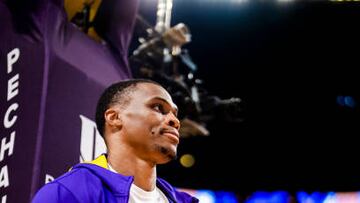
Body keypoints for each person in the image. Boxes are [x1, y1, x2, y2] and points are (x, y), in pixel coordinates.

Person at [32, 79, 199, 203]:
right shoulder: (68, 193)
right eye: (158, 107)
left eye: (174, 114)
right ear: (114, 117)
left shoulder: (185, 201)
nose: (174, 121)